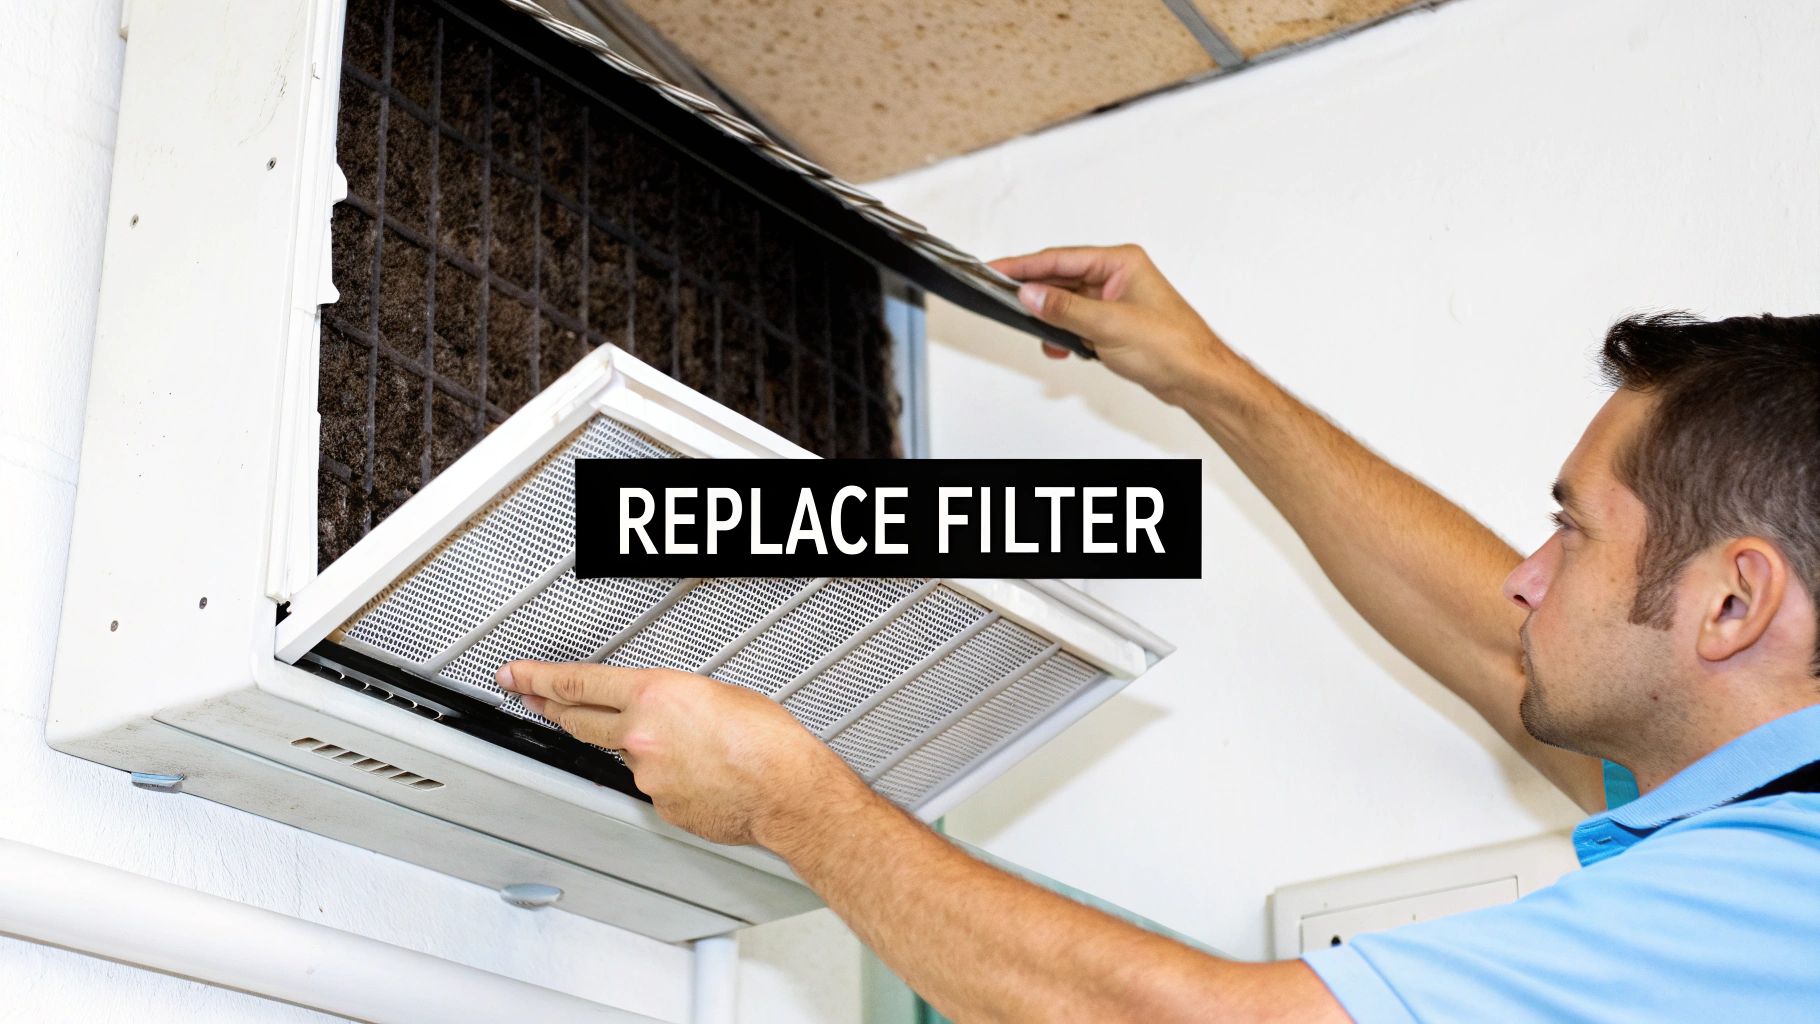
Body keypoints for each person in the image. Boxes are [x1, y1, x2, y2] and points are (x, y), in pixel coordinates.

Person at [496, 245, 1820, 1022]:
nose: (1528, 578)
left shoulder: (1784, 899)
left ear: (1731, 604)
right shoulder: (1754, 836)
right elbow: (1496, 647)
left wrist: (800, 808)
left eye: (1571, 531)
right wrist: (1210, 382)